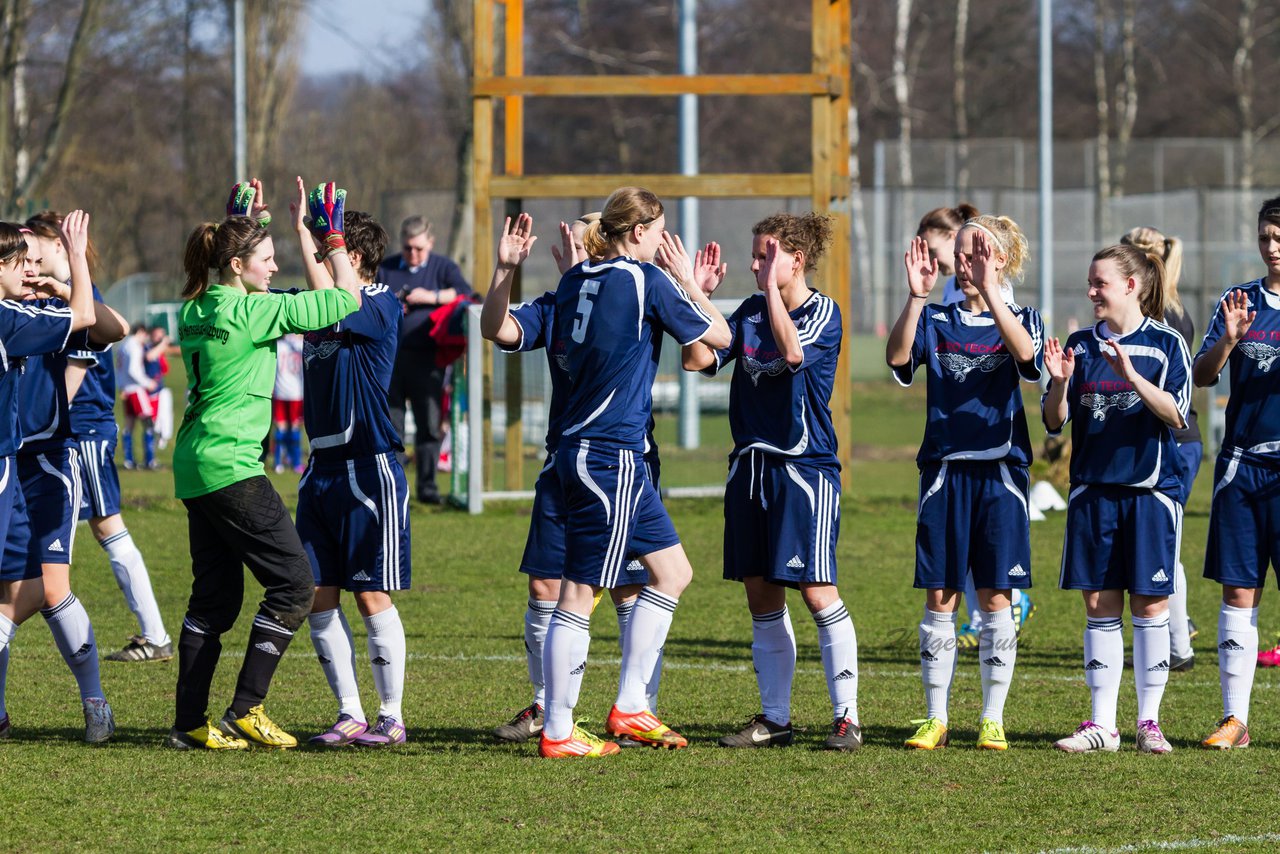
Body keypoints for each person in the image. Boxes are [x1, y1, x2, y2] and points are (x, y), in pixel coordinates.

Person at [535, 186, 730, 757]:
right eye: (660, 231)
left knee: (671, 573)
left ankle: (631, 706)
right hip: (610, 454)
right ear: (642, 232)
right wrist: (689, 284)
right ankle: (558, 731)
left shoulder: (576, 278)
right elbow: (719, 339)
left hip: (583, 453)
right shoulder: (647, 280)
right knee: (579, 591)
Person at [167, 181, 360, 751]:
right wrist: (332, 238)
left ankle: (188, 724)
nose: (276, 269)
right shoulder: (255, 312)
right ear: (236, 263)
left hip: (193, 465)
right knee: (296, 584)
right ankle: (246, 709)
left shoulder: (196, 306)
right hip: (231, 466)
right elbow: (346, 296)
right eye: (267, 259)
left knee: (214, 600)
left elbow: (222, 269)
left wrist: (238, 221)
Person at [485, 213, 674, 745]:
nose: (575, 235)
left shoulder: (630, 288)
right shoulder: (566, 296)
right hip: (566, 459)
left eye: (588, 228)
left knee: (632, 585)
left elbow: (701, 352)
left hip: (622, 458)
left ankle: (638, 707)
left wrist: (691, 290)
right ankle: (550, 709)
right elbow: (500, 328)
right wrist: (505, 272)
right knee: (550, 584)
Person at [681, 213, 861, 751]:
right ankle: (776, 718)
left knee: (815, 589)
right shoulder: (751, 309)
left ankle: (847, 718)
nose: (757, 265)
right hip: (750, 470)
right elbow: (696, 360)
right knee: (761, 594)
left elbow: (793, 352)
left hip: (803, 470)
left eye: (766, 256)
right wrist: (697, 298)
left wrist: (764, 296)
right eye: (756, 256)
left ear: (795, 260)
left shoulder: (823, 312)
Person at [887, 214, 1043, 751]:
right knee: (941, 594)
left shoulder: (1024, 317)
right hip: (945, 473)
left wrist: (994, 294)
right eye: (961, 251)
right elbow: (899, 358)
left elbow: (1027, 358)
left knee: (997, 596)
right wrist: (914, 299)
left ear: (999, 258)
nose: (967, 261)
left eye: (978, 251)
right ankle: (936, 718)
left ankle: (992, 718)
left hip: (1000, 473)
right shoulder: (936, 317)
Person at [1043, 243, 1190, 754]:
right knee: (1099, 604)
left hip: (1150, 493)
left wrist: (1131, 376)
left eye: (1099, 283)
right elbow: (1053, 420)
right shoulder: (1080, 345)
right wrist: (1060, 384)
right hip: (1093, 493)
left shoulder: (1167, 345)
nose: (1091, 292)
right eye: (1089, 283)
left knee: (1151, 605)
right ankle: (1102, 724)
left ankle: (1149, 722)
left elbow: (1176, 415)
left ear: (1132, 285)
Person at [286, 182, 412, 748]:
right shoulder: (327, 302)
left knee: (371, 595)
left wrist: (325, 239)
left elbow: (346, 300)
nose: (317, 255)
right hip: (322, 470)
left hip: (369, 468)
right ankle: (349, 712)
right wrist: (297, 234)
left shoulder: (383, 302)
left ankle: (391, 714)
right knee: (319, 592)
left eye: (328, 247)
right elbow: (324, 296)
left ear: (351, 256)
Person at [26, 212, 174, 664]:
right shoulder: (58, 295)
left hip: (83, 429)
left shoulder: (83, 296)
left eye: (36, 248)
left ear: (57, 245)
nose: (29, 260)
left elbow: (79, 369)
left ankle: (154, 635)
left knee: (107, 528)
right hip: (73, 431)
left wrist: (36, 427)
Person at [0, 213, 124, 742]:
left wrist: (69, 283)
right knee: (7, 594)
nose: (30, 269)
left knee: (52, 589)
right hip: (10, 462)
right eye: (21, 261)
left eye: (33, 260)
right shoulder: (19, 317)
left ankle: (95, 702)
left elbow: (113, 328)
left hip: (48, 463)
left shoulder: (54, 309)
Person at [1193, 196, 1280, 750]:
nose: (1272, 249)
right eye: (1266, 238)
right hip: (1243, 468)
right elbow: (1201, 376)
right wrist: (1229, 337)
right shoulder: (1238, 302)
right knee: (1237, 593)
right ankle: (1235, 719)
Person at [1122, 226, 1200, 672]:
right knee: (1160, 542)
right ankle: (1177, 638)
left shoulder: (1163, 316)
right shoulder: (1165, 306)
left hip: (1174, 440)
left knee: (1163, 543)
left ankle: (1179, 643)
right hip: (1164, 440)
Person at [379, 215, 471, 504]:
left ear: (430, 243)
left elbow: (466, 294)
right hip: (391, 360)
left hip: (428, 360)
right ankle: (393, 488)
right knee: (391, 427)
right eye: (408, 248)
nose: (414, 254)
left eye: (419, 248)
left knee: (429, 426)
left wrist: (430, 296)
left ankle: (428, 489)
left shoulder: (443, 268)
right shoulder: (387, 268)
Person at [916, 203, 979, 307]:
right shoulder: (950, 286)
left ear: (954, 237)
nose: (930, 261)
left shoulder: (991, 285)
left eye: (932, 251)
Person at [117, 323, 157, 470]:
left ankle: (129, 460)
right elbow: (133, 370)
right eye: (145, 335)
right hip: (136, 389)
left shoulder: (123, 346)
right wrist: (147, 382)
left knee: (129, 425)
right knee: (148, 423)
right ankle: (150, 460)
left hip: (126, 389)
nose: (145, 338)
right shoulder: (134, 346)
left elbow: (120, 369)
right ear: (140, 332)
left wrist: (121, 387)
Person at [271, 333, 305, 473]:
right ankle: (296, 462)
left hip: (280, 391)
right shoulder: (301, 345)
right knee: (295, 428)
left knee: (281, 428)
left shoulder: (278, 345)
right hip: (297, 393)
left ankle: (278, 462)